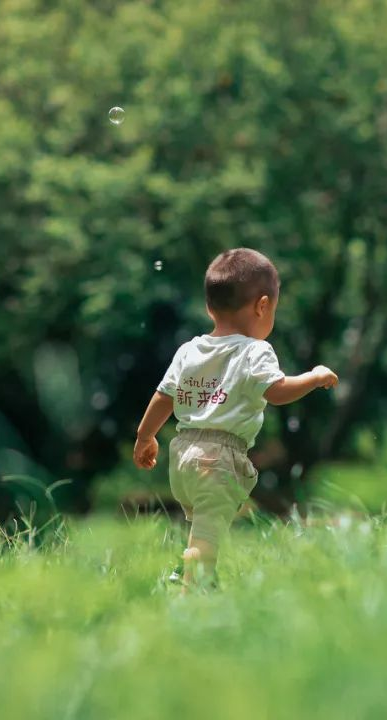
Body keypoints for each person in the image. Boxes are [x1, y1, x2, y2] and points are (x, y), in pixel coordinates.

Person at [133, 248, 338, 590]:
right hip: (218, 457)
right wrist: (315, 377)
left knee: (203, 528)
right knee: (208, 535)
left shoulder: (189, 350)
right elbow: (278, 391)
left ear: (209, 307)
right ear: (262, 306)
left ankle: (191, 574)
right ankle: (192, 589)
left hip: (182, 455)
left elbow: (163, 397)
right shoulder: (254, 350)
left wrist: (144, 437)